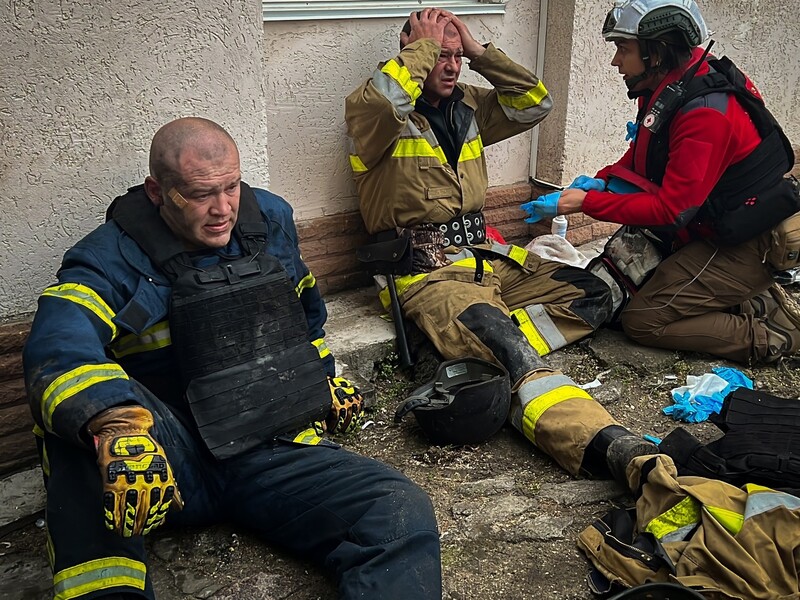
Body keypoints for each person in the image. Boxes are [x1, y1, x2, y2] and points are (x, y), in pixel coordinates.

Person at [22, 117, 442, 600]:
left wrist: (323, 377)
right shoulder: (107, 259)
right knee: (80, 424)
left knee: (397, 509)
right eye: (201, 194)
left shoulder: (269, 223)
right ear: (157, 192)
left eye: (231, 186)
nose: (222, 208)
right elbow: (57, 345)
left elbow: (304, 313)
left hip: (269, 448)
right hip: (166, 463)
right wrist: (114, 425)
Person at [345, 9, 657, 486]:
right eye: (438, 56)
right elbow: (384, 105)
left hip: (488, 262)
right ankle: (603, 442)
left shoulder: (468, 104)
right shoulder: (374, 113)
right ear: (408, 52)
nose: (449, 66)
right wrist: (422, 49)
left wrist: (480, 53)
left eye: (455, 57)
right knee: (508, 348)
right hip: (427, 276)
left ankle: (470, 350)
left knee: (594, 293)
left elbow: (536, 102)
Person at [523, 0, 800, 365]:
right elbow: (644, 154)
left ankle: (773, 338)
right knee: (633, 287)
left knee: (642, 320)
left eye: (623, 49)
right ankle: (750, 298)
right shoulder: (672, 84)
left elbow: (672, 210)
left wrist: (585, 203)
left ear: (656, 51)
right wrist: (603, 181)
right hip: (719, 220)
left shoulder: (704, 112)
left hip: (748, 239)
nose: (615, 61)